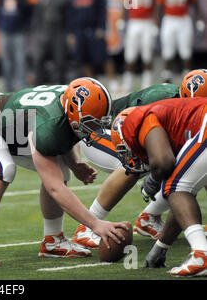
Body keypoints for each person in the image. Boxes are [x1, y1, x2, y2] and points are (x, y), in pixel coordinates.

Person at [0, 77, 128, 267]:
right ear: (72, 111)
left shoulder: (68, 104)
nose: (94, 128)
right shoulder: (49, 123)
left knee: (61, 169)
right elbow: (55, 188)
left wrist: (74, 163)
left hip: (11, 128)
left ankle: (53, 240)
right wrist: (95, 224)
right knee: (3, 169)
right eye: (90, 122)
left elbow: (63, 133)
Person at [72, 69, 207, 248]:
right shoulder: (162, 99)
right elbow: (129, 130)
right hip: (102, 131)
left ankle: (149, 217)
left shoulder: (185, 107)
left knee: (185, 165)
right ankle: (88, 225)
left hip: (125, 133)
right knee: (137, 163)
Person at [110, 97, 207, 277]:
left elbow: (164, 163)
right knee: (179, 188)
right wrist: (161, 247)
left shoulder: (136, 119)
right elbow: (182, 208)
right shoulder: (175, 130)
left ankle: (202, 254)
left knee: (177, 187)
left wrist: (154, 179)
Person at [0, 0, 37, 92]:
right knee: (6, 61)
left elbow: (30, 11)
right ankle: (7, 87)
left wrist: (25, 25)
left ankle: (22, 86)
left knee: (20, 60)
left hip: (19, 32)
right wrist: (0, 24)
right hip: (5, 32)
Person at [154, 0, 203, 83]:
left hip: (184, 20)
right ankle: (166, 78)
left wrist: (199, 19)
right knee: (168, 50)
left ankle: (188, 78)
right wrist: (156, 23)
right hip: (169, 19)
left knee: (185, 51)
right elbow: (159, 5)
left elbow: (195, 2)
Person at [121, 0, 158, 95]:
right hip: (134, 22)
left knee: (147, 54)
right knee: (130, 55)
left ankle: (147, 83)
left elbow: (156, 5)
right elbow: (125, 4)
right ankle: (128, 83)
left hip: (147, 22)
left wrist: (155, 23)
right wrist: (122, 19)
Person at [66, 0, 108, 80]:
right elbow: (70, 15)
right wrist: (71, 33)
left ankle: (112, 80)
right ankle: (92, 81)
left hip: (94, 29)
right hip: (79, 31)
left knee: (103, 56)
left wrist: (101, 27)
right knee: (83, 58)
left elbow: (102, 11)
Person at [31, 0, 69, 86]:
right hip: (43, 32)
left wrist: (68, 33)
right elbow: (37, 15)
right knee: (39, 60)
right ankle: (38, 86)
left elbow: (69, 17)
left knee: (60, 61)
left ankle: (60, 86)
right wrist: (36, 33)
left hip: (59, 32)